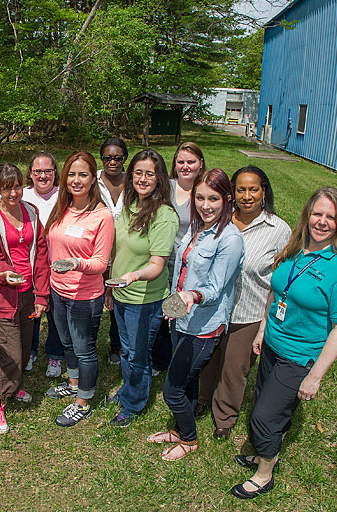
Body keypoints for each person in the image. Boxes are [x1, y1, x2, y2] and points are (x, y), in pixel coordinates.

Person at [231, 187, 337, 499]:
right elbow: (277, 291)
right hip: (273, 344)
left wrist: (315, 376)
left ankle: (264, 473)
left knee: (263, 417)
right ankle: (265, 449)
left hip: (300, 356)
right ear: (307, 215)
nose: (322, 222)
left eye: (331, 217)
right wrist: (263, 329)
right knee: (269, 405)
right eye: (317, 214)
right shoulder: (298, 246)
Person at [147, 168, 244, 460]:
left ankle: (189, 439)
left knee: (172, 391)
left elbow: (215, 288)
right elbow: (182, 272)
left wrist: (192, 296)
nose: (205, 205)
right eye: (200, 197)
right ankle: (179, 430)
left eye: (213, 198)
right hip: (182, 319)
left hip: (203, 326)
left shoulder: (230, 239)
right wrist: (174, 307)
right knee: (187, 382)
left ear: (227, 199)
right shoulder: (197, 227)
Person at [197, 166, 291, 440]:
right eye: (241, 189)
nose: (247, 195)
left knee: (234, 367)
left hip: (249, 310)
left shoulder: (278, 230)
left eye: (253, 189)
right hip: (212, 307)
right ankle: (201, 399)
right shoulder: (219, 221)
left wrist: (267, 320)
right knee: (208, 358)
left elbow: (282, 279)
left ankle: (224, 416)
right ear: (232, 194)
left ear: (264, 192)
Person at [106, 150, 178, 427]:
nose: (143, 178)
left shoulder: (164, 215)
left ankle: (133, 405)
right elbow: (119, 252)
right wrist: (112, 287)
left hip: (145, 300)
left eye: (150, 173)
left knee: (138, 354)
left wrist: (133, 276)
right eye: (138, 172)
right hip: (122, 293)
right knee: (126, 350)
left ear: (159, 178)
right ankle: (128, 390)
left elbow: (157, 264)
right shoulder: (128, 205)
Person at [0, 163, 51, 433]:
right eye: (7, 188)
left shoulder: (31, 212)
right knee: (8, 350)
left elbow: (41, 256)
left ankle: (14, 386)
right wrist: (4, 274)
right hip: (2, 295)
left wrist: (42, 294)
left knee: (23, 345)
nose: (13, 193)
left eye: (17, 186)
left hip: (29, 293)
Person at [45, 151, 114, 427]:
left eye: (83, 174)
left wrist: (76, 263)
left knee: (84, 350)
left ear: (93, 178)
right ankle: (74, 384)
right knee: (66, 343)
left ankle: (83, 402)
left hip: (84, 296)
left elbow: (100, 263)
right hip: (57, 290)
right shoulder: (62, 207)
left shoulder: (102, 216)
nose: (76, 180)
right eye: (71, 174)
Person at [151, 142, 206, 375]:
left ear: (200, 164)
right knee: (162, 310)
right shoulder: (166, 188)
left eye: (191, 162)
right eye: (181, 162)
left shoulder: (204, 191)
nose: (185, 167)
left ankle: (186, 358)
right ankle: (161, 360)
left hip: (191, 263)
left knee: (186, 308)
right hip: (163, 260)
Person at [21, 151, 64, 377]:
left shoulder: (64, 195)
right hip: (31, 264)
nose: (43, 176)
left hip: (58, 264)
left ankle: (56, 355)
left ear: (55, 172)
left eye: (48, 171)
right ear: (30, 173)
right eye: (38, 171)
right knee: (32, 310)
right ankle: (30, 350)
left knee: (55, 313)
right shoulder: (23, 196)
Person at [97, 137, 128, 365]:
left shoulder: (134, 181)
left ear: (124, 158)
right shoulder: (93, 180)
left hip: (125, 250)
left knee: (119, 297)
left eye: (117, 157)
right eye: (108, 158)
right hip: (97, 248)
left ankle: (117, 346)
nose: (113, 162)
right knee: (95, 298)